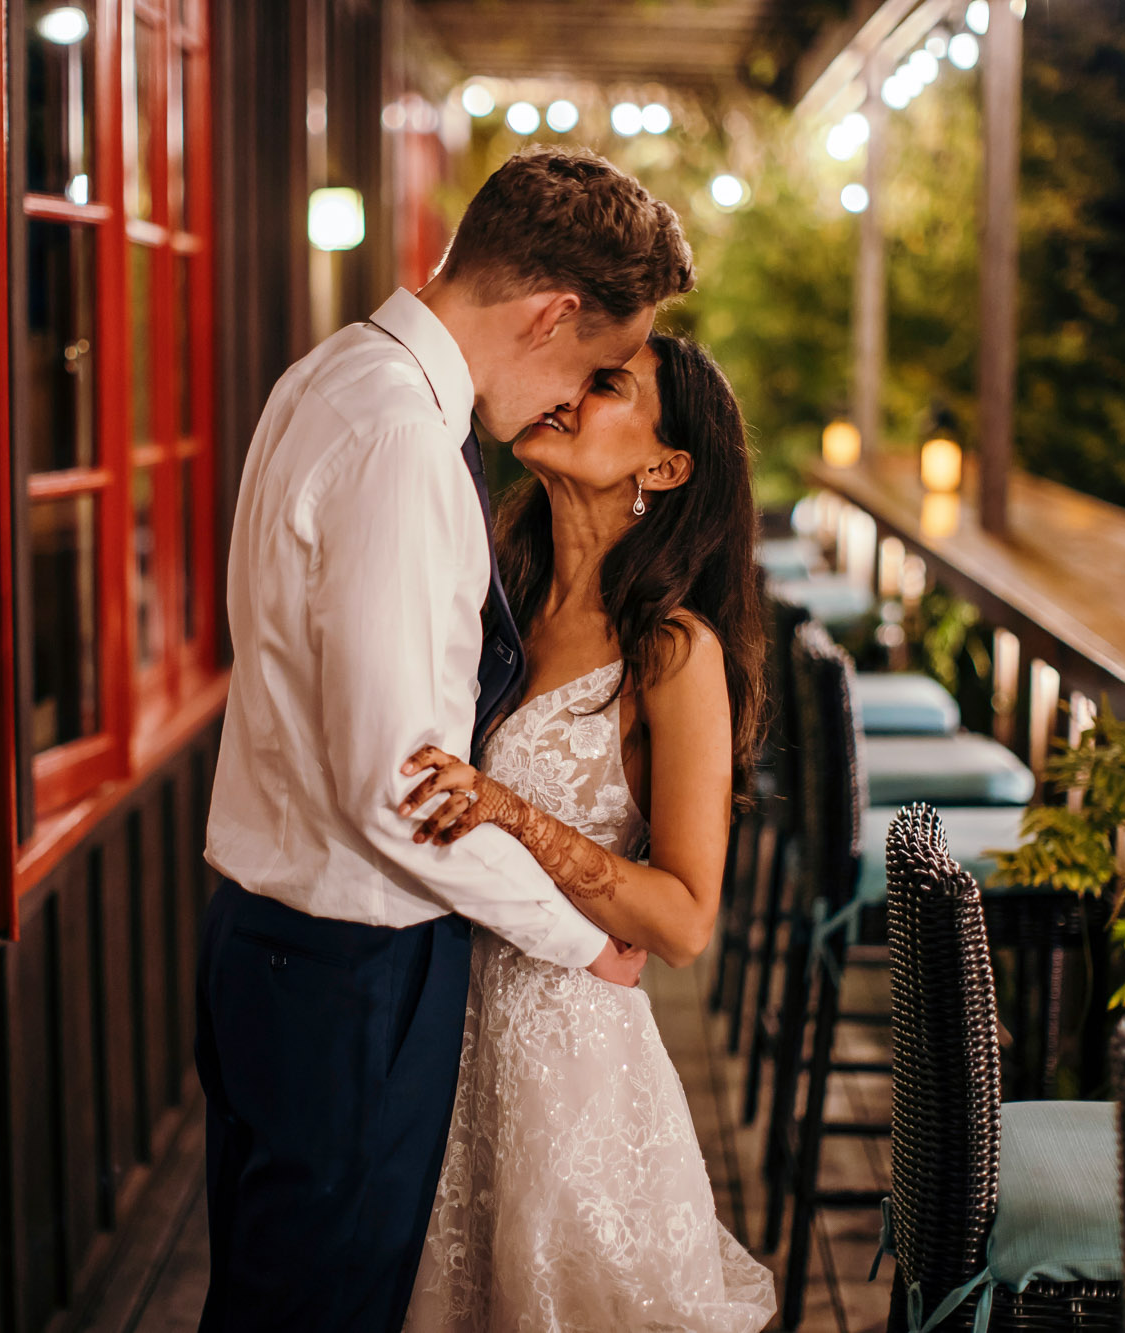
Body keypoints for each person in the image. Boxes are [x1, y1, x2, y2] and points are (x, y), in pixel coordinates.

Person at [198, 145, 695, 1332]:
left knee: (269, 1294)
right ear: (552, 312)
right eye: (591, 364)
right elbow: (401, 792)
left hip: (265, 943)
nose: (568, 401)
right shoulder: (403, 445)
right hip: (350, 970)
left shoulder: (327, 378)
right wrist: (576, 938)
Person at [396, 332, 774, 1332]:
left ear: (664, 465)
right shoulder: (497, 597)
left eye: (605, 385)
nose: (566, 391)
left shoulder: (670, 651)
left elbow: (685, 921)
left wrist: (514, 812)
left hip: (565, 1066)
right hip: (441, 1030)